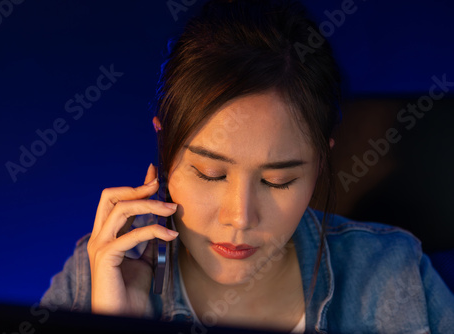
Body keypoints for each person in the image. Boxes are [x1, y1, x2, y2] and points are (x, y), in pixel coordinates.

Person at [40, 0, 454, 332]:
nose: (240, 216)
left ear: (321, 164)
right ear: (165, 149)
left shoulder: (394, 275)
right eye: (211, 173)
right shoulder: (97, 274)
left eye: (278, 180)